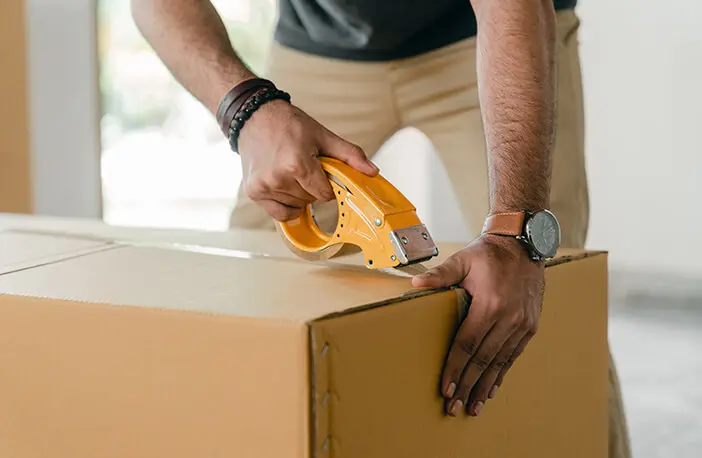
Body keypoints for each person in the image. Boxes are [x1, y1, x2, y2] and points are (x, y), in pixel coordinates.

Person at [131, 0, 630, 456]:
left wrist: (514, 232)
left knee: (546, 290)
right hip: (323, 44)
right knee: (261, 273)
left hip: (483, 32)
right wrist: (248, 109)